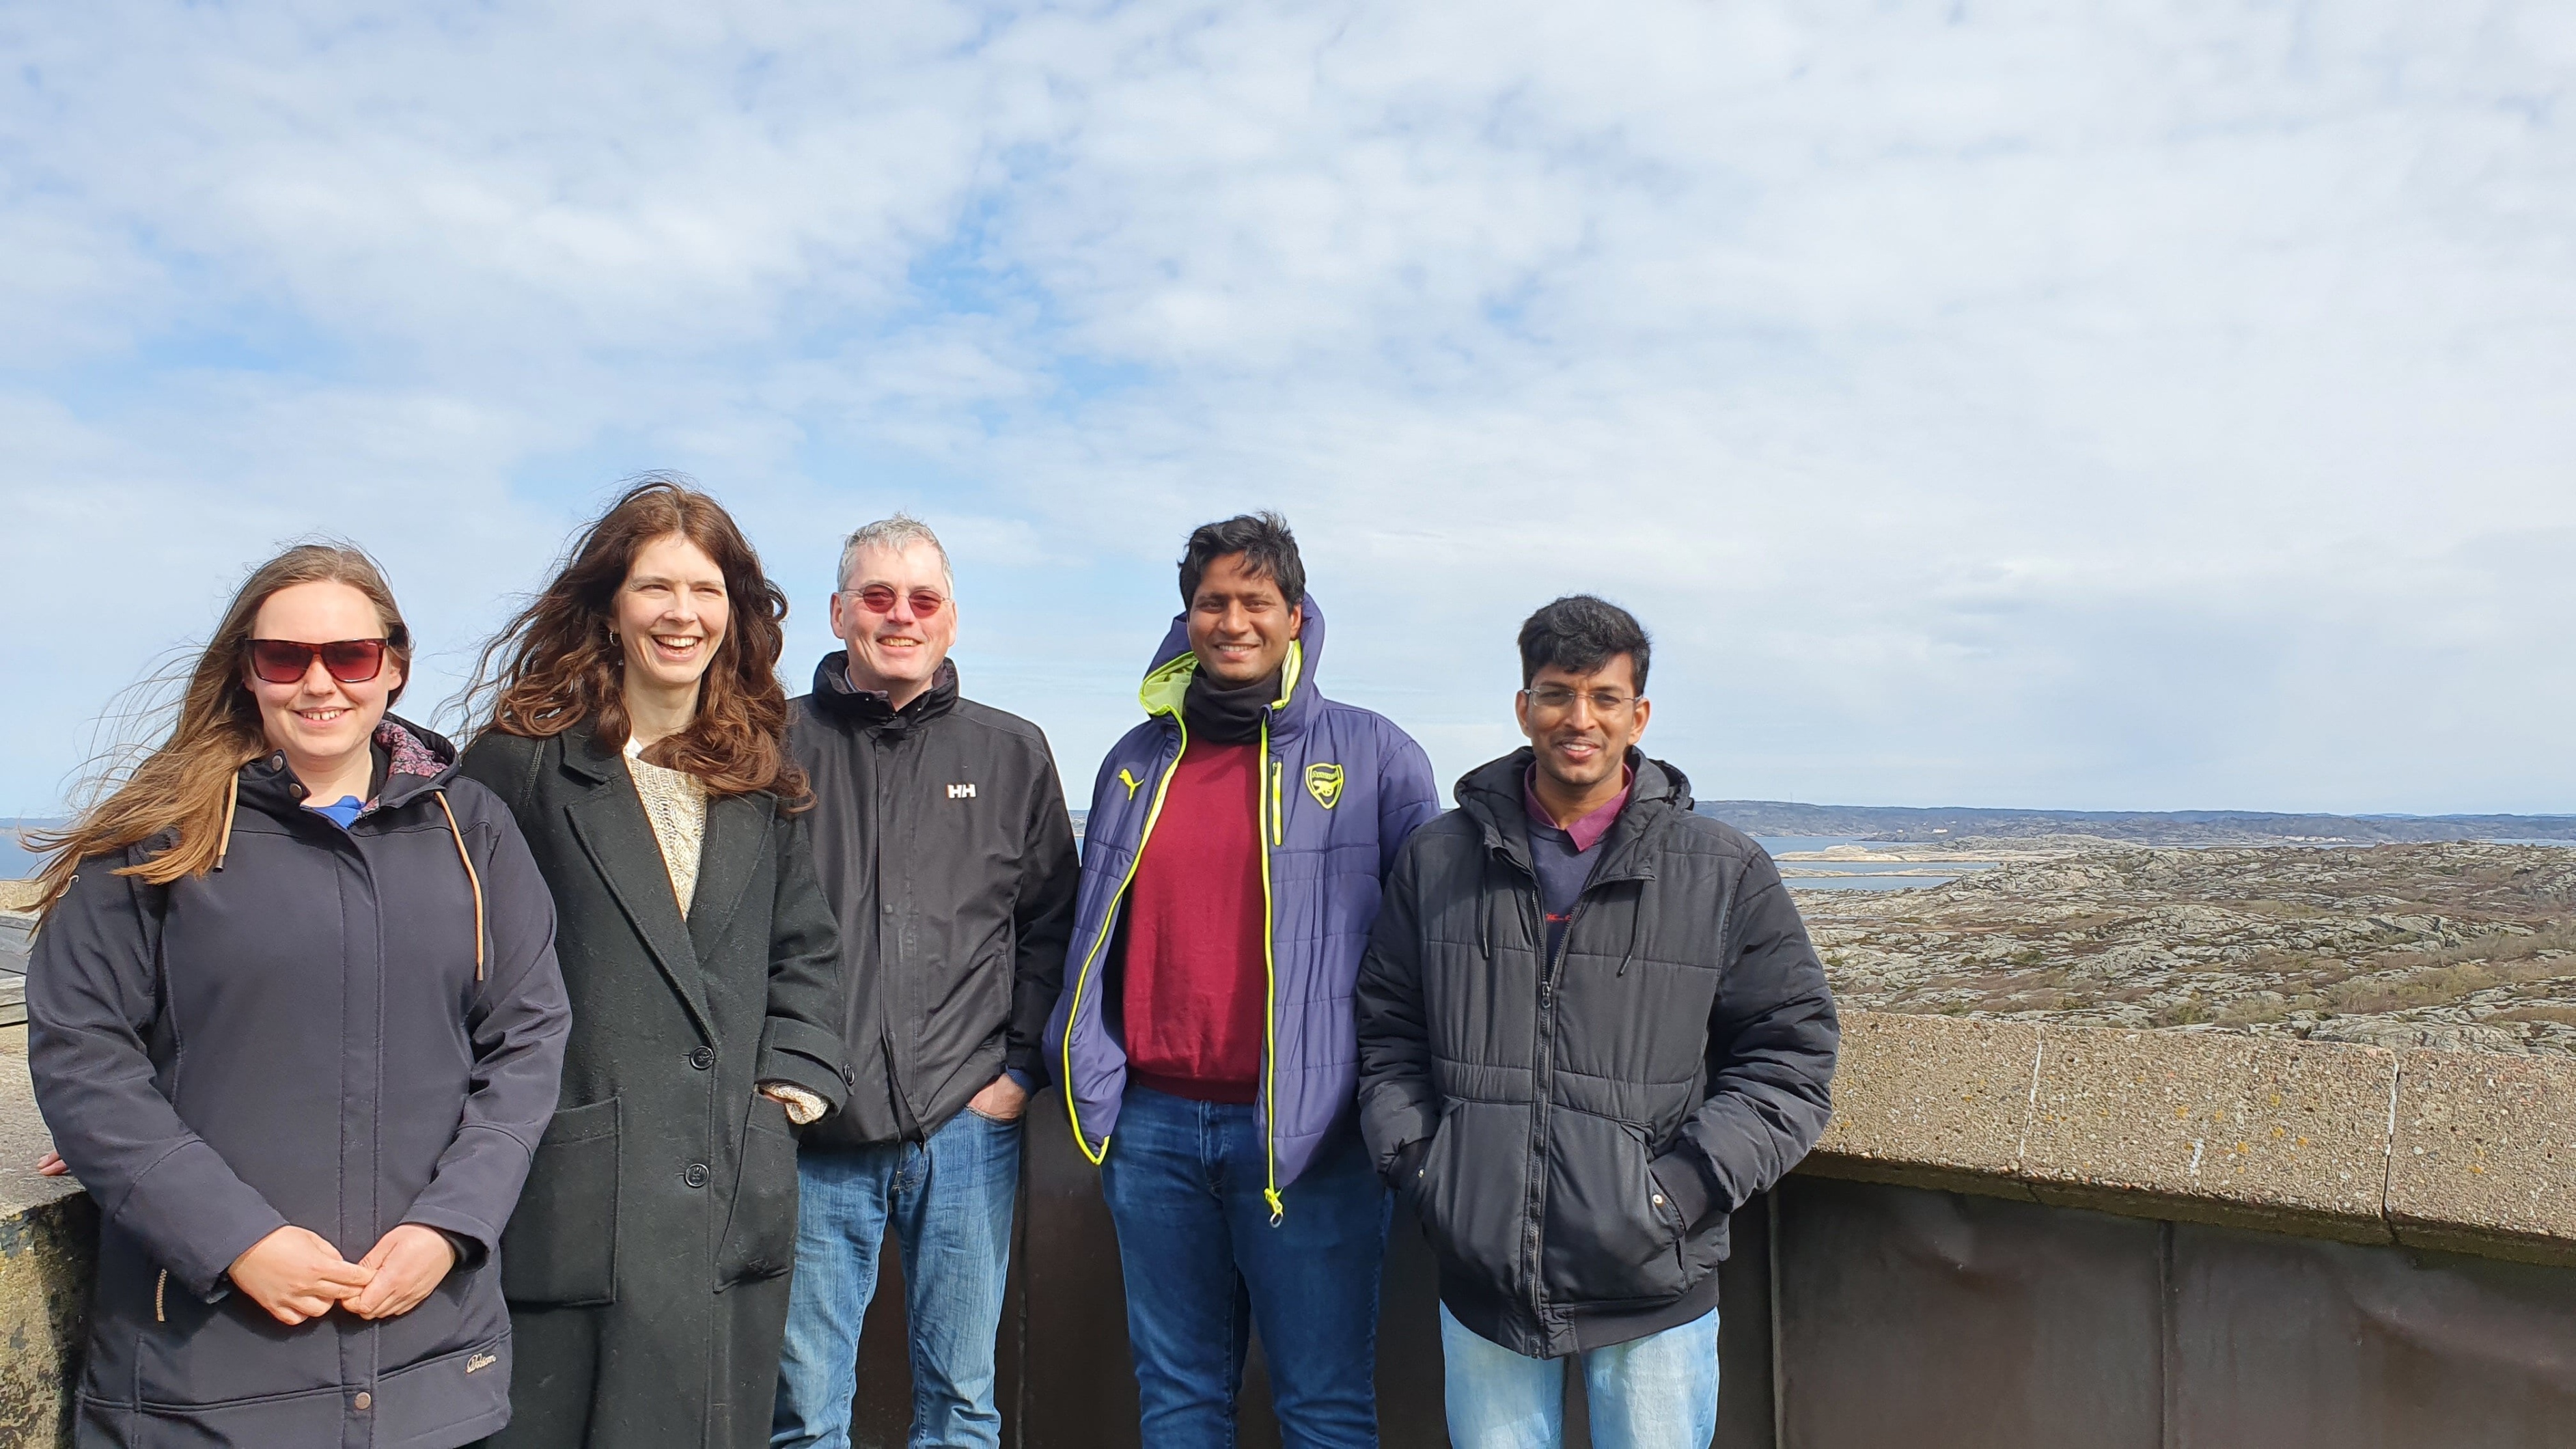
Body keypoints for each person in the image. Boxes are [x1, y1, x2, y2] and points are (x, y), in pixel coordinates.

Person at [25, 544, 570, 1448]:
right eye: (285, 657)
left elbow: (528, 1042)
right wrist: (235, 1241)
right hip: (202, 1380)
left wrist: (449, 1226)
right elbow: (83, 1059)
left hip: (430, 1371)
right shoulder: (158, 834)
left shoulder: (473, 832)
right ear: (247, 670)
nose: (319, 682)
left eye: (349, 656)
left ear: (393, 665)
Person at [1354, 594, 1840, 1449]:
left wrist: (1676, 1193)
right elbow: (1388, 1031)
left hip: (1654, 1285)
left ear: (1638, 714)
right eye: (1556, 693)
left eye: (1604, 697)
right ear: (1524, 706)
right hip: (1484, 1286)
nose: (1579, 719)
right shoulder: (1437, 859)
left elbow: (1789, 1060)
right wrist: (1430, 1170)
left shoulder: (1723, 872)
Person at [459, 478, 849, 1449]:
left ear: (736, 611)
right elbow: (433, 955)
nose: (682, 614)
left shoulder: (757, 771)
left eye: (706, 590)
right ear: (608, 605)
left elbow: (806, 948)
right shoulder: (521, 764)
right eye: (655, 587)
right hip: (575, 1187)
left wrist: (788, 1090)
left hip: (725, 1184)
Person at [1046, 512, 1441, 1449]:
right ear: (1185, 618)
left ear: (1294, 615)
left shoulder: (1375, 755)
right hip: (1149, 1131)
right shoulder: (1135, 762)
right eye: (1211, 602)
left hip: (1312, 1139)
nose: (1232, 620)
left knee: (1323, 1403)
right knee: (1178, 1398)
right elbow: (1088, 925)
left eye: (1253, 601)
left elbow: (1430, 948)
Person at [771, 515, 1080, 1449]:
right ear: (838, 613)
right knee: (805, 1409)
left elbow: (1049, 925)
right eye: (877, 597)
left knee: (960, 1404)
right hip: (814, 1126)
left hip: (964, 1130)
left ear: (950, 621)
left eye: (922, 600)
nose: (899, 616)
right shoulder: (771, 742)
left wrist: (1017, 1070)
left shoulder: (1011, 750)